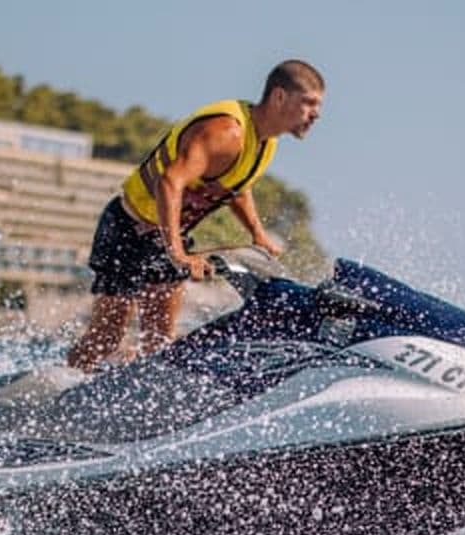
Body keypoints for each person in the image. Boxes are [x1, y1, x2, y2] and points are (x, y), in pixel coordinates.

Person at [67, 59, 325, 372]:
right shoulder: (226, 132)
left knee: (159, 341)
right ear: (279, 96)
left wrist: (257, 234)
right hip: (127, 229)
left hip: (164, 237)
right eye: (309, 103)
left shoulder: (265, 142)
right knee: (106, 339)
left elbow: (236, 187)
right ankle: (63, 382)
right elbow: (169, 182)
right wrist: (177, 252)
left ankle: (137, 391)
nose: (316, 114)